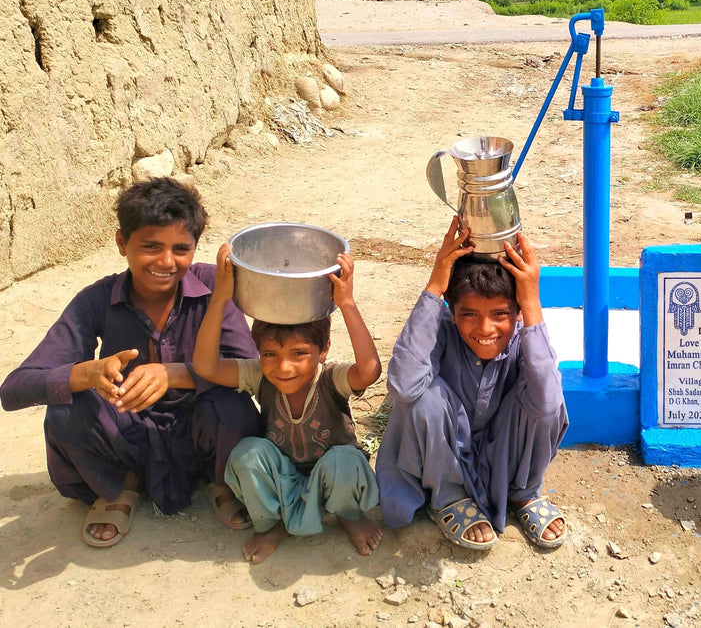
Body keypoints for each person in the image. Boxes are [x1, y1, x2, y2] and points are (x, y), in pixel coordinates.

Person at [0, 178, 260, 547]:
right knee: (65, 408)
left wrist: (177, 374)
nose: (166, 262)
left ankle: (216, 478)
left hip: (200, 431)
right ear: (123, 243)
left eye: (181, 249)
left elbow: (251, 370)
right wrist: (86, 372)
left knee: (232, 404)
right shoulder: (96, 299)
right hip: (126, 438)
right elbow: (14, 389)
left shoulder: (214, 287)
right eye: (150, 247)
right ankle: (121, 487)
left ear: (195, 248)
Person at [375, 216, 568, 550]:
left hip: (502, 454)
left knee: (548, 400)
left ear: (517, 312)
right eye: (469, 314)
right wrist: (435, 286)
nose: (486, 329)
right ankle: (449, 497)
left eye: (500, 314)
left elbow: (548, 403)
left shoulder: (524, 337)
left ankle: (521, 494)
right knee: (424, 398)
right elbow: (404, 386)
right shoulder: (440, 330)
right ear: (452, 311)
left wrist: (532, 302)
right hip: (443, 454)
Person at [191, 243, 383, 563]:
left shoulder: (330, 378)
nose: (283, 368)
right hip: (283, 479)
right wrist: (220, 298)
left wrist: (346, 303)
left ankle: (348, 515)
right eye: (270, 354)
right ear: (259, 354)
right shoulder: (259, 376)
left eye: (299, 354)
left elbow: (369, 371)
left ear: (322, 351)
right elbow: (206, 367)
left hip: (333, 478)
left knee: (346, 460)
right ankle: (274, 524)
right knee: (248, 454)